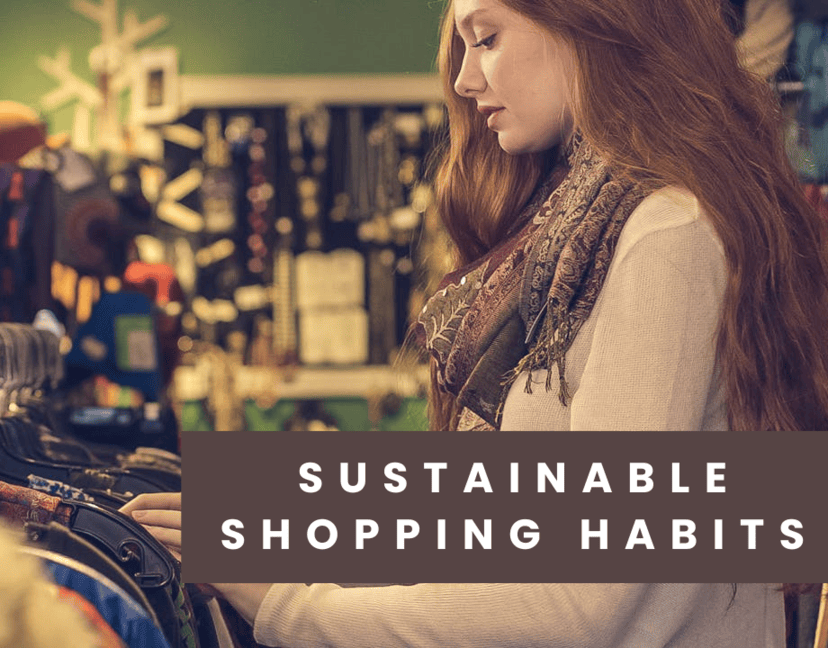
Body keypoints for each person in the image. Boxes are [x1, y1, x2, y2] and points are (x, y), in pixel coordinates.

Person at [122, 0, 827, 645]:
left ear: (595, 22)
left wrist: (289, 606)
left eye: (486, 38)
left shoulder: (662, 234)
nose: (462, 78)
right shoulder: (576, 234)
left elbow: (579, 601)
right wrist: (285, 521)